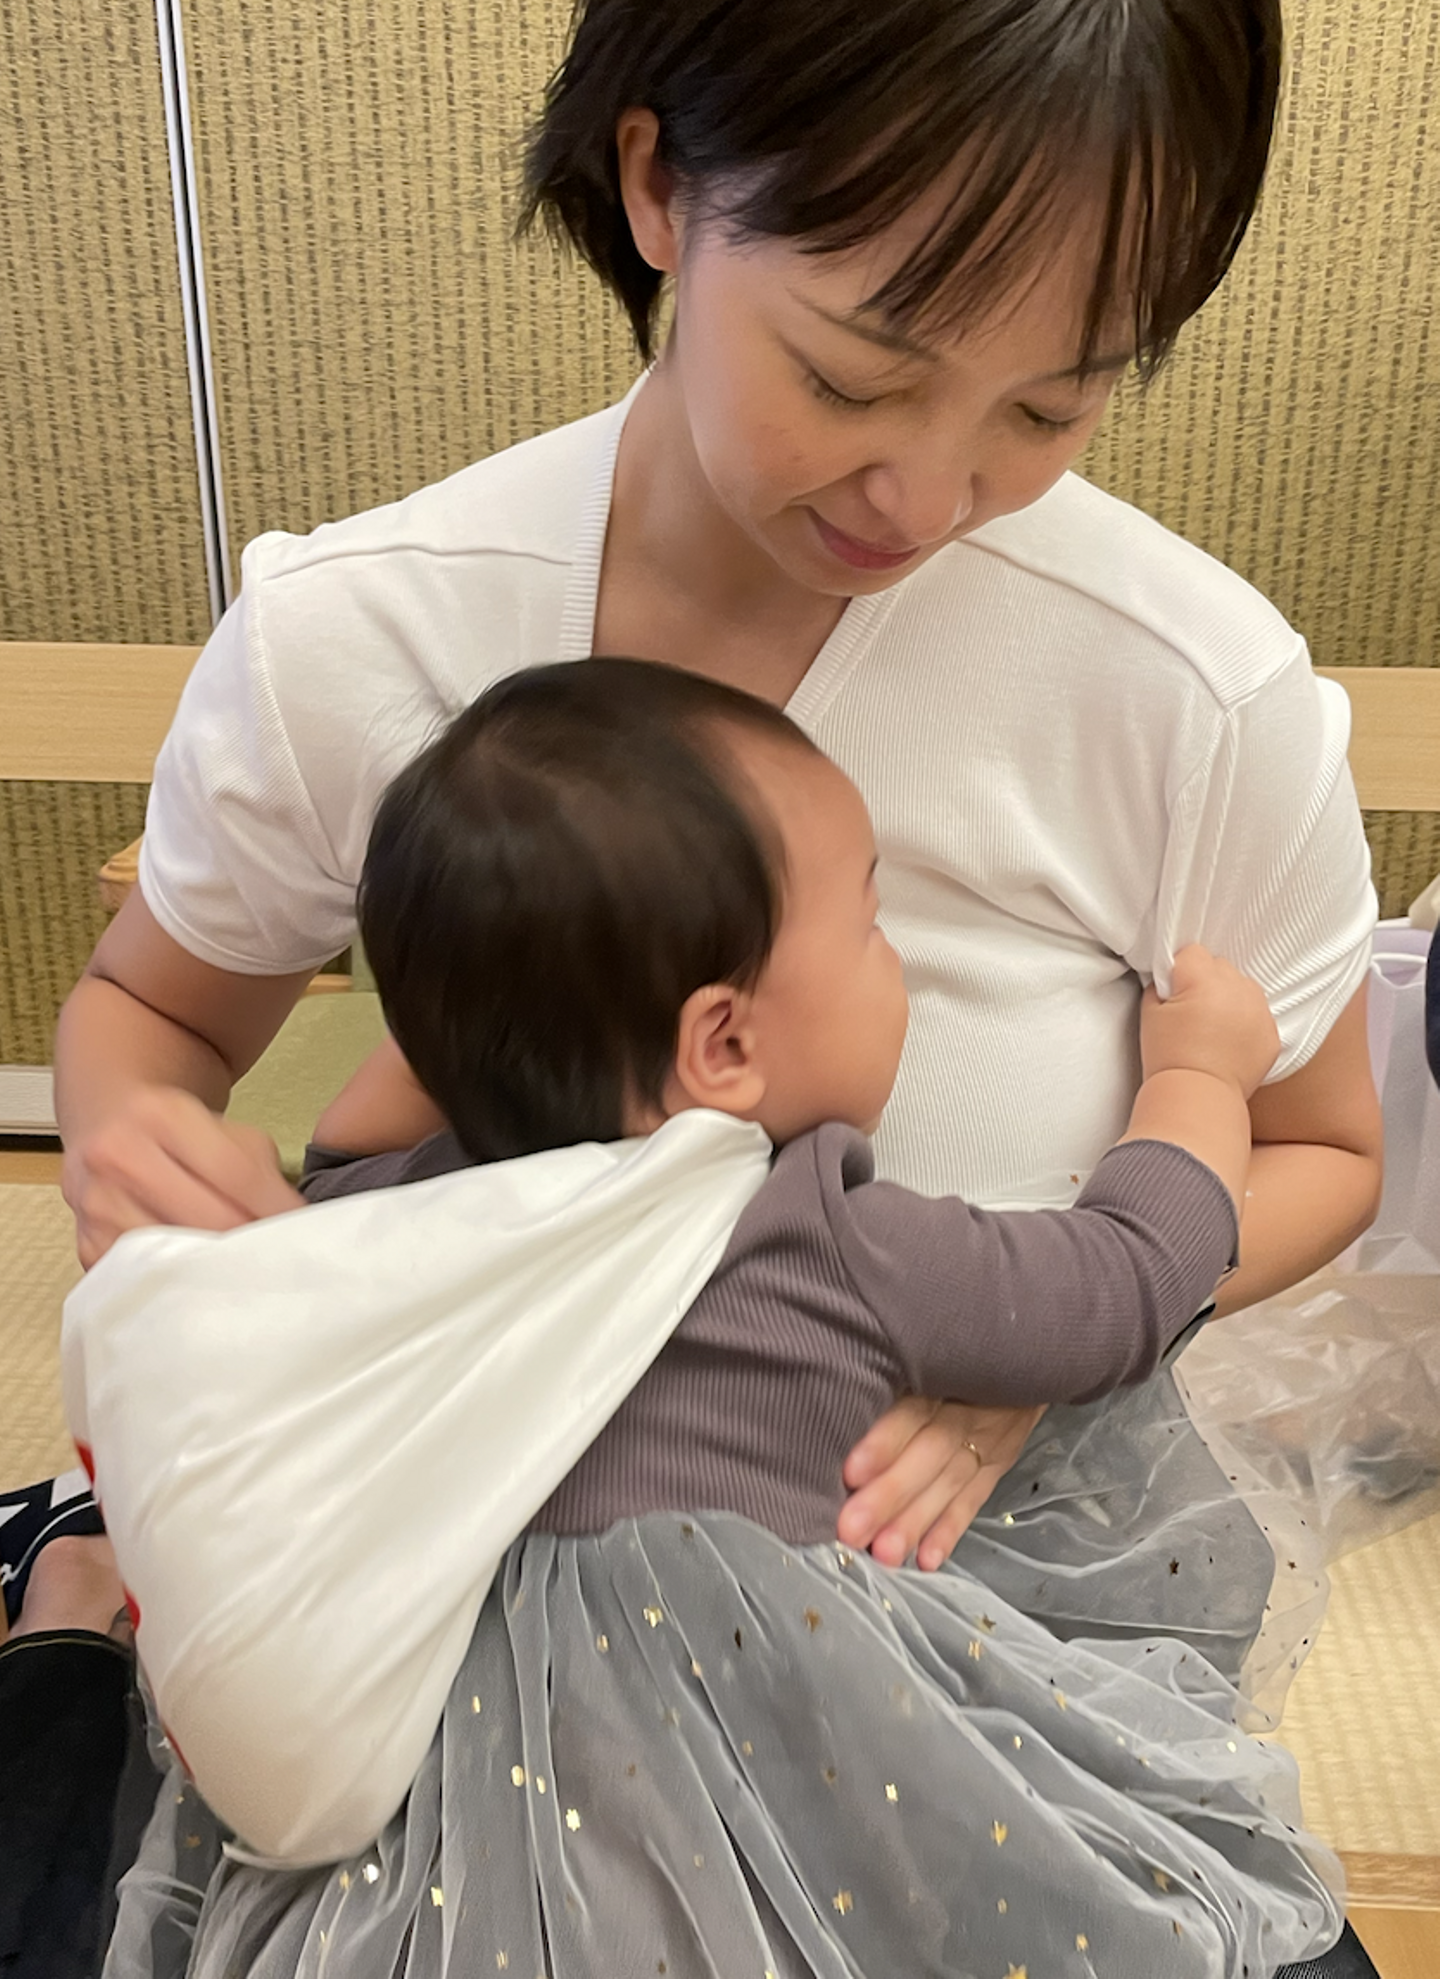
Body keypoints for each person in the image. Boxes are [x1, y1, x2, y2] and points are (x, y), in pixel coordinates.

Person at [54, 0, 1380, 1967]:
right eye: (855, 373)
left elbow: (1326, 1147)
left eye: (1049, 410)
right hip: (426, 1607)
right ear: (660, 183)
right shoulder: (363, 632)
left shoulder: (1192, 689)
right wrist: (143, 1150)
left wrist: (1026, 1357)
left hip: (975, 1589)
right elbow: (155, 1016)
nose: (924, 496)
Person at [98, 660, 1342, 1976]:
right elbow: (1125, 1281)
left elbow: (342, 1164)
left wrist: (487, 1004)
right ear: (725, 1046)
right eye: (871, 924)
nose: (895, 961)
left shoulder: (402, 1214)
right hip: (758, 1801)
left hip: (436, 1827)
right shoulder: (812, 1233)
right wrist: (1202, 1076)